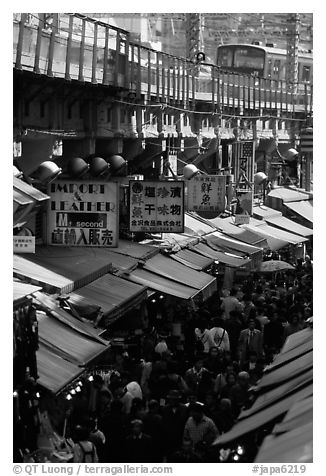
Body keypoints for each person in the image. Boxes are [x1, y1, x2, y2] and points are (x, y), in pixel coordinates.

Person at [161, 390, 188, 458]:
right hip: (168, 438)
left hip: (180, 437)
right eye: (171, 399)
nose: (173, 401)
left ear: (178, 399)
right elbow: (163, 423)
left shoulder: (184, 408)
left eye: (175, 399)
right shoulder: (165, 409)